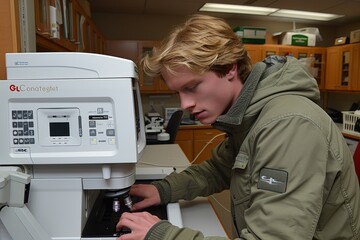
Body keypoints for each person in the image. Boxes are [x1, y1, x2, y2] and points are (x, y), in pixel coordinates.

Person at [116, 14, 360, 240]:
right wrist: (163, 190)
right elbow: (217, 171)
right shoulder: (250, 115)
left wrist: (163, 234)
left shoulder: (288, 125)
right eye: (177, 92)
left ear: (230, 68)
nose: (185, 104)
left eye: (192, 87)